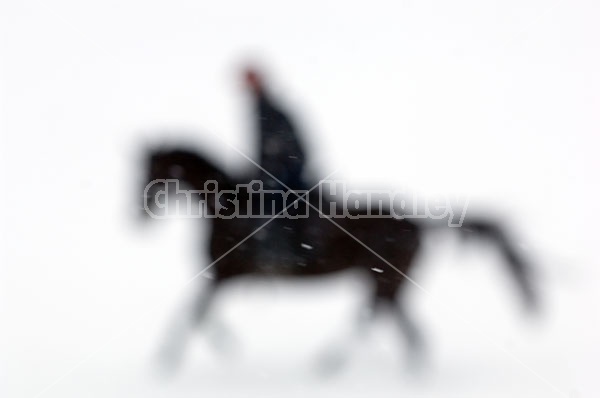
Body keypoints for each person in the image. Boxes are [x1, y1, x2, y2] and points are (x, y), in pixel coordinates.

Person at [244, 67, 306, 193]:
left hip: (287, 166)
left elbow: (281, 141)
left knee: (275, 196)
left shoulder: (269, 108)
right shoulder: (261, 108)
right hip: (275, 167)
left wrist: (274, 155)